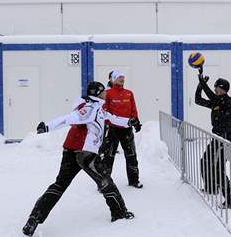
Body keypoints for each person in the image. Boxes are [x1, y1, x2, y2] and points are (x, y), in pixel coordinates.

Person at [22, 81, 140, 236]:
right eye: (103, 91)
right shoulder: (90, 108)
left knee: (59, 185)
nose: (106, 93)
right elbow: (70, 118)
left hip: (71, 151)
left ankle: (34, 218)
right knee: (105, 181)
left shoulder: (98, 107)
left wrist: (129, 121)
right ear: (98, 93)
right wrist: (48, 126)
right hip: (85, 154)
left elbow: (112, 118)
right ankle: (119, 213)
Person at [195, 74, 231, 208]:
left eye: (216, 88)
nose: (214, 90)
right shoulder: (216, 101)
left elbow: (214, 98)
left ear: (222, 89)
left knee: (218, 169)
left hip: (225, 139)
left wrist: (203, 84)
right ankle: (211, 187)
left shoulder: (227, 101)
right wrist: (199, 86)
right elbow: (198, 100)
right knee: (205, 161)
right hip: (217, 138)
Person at [101, 70, 143, 188]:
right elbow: (104, 111)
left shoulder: (129, 93)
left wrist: (136, 121)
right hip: (112, 129)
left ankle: (134, 180)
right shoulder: (107, 93)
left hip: (126, 129)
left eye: (123, 77)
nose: (122, 79)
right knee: (108, 156)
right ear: (113, 79)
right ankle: (104, 182)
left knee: (131, 155)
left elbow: (133, 109)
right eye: (119, 77)